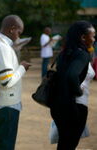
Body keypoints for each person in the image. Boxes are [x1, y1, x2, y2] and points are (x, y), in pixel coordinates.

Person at [0, 15, 31, 150]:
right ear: (12, 29)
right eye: (18, 32)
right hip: (7, 104)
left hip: (2, 103)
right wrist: (22, 67)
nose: (18, 36)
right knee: (6, 143)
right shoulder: (2, 48)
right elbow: (7, 81)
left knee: (0, 140)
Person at [50, 21, 95, 150]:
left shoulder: (65, 53)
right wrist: (78, 92)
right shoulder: (82, 54)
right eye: (92, 36)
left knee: (64, 144)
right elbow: (71, 75)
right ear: (83, 37)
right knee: (69, 145)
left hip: (59, 105)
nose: (94, 39)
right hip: (75, 106)